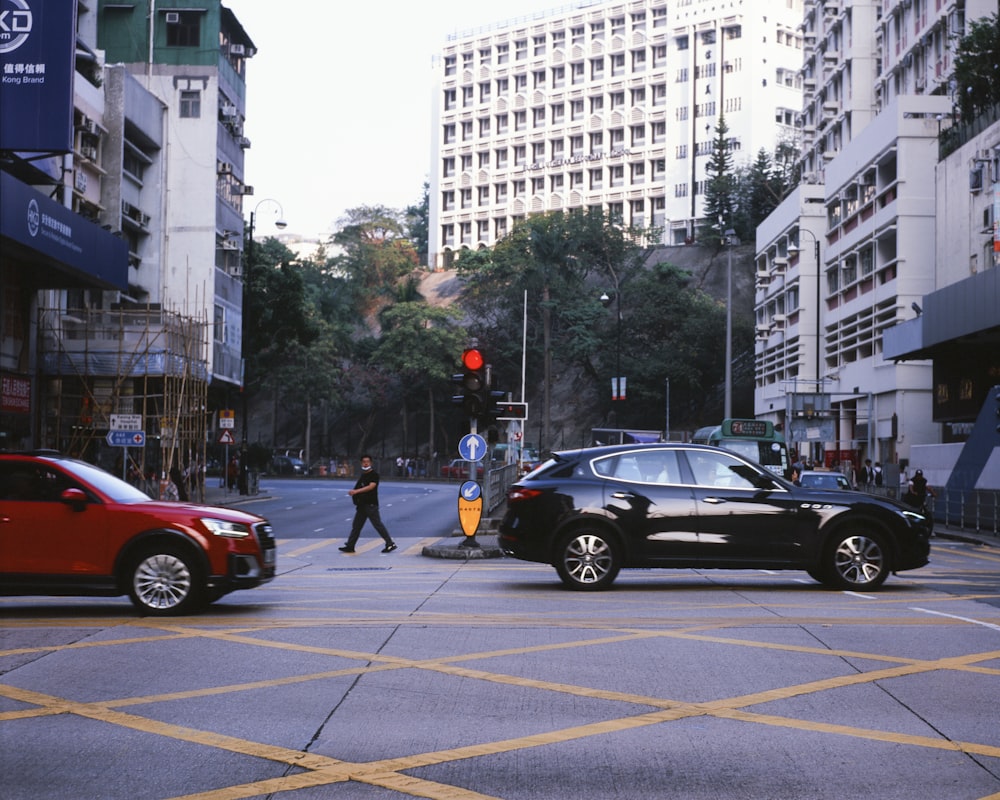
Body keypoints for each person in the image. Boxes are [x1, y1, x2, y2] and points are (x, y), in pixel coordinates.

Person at [340, 454, 397, 554]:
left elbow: (371, 487)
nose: (366, 463)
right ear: (361, 463)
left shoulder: (374, 475)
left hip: (370, 504)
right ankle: (350, 545)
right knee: (356, 525)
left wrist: (356, 492)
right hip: (362, 505)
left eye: (367, 461)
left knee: (377, 524)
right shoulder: (363, 475)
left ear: (371, 463)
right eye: (364, 462)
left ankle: (390, 543)